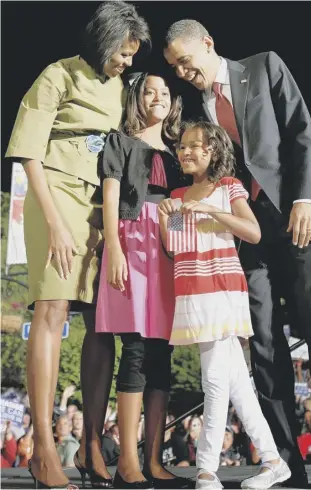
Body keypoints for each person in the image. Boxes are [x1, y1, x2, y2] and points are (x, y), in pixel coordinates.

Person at [163, 20, 311, 489]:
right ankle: (286, 465)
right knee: (263, 345)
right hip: (251, 235)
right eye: (174, 66)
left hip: (301, 220)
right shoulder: (198, 106)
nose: (182, 70)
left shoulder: (264, 67)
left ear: (207, 43)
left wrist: (305, 199)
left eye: (185, 59)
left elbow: (300, 131)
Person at [5, 2, 150, 488]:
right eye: (124, 53)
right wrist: (54, 223)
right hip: (56, 201)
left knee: (101, 324)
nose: (128, 62)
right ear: (104, 39)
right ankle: (44, 447)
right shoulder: (57, 75)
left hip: (101, 207)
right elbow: (28, 153)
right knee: (51, 312)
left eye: (133, 55)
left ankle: (91, 443)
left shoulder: (119, 89)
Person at [158, 121, 291, 490]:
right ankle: (273, 460)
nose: (184, 152)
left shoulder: (228, 187)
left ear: (211, 150)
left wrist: (211, 212)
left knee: (214, 381)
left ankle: (205, 470)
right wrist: (165, 220)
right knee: (237, 386)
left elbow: (252, 231)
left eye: (193, 146)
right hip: (192, 290)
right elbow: (174, 247)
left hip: (221, 289)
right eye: (181, 146)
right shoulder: (179, 193)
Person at [96, 72, 191, 489]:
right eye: (150, 91)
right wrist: (113, 245)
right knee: (134, 347)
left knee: (161, 352)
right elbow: (111, 194)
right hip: (133, 241)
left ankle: (153, 460)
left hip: (169, 246)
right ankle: (127, 463)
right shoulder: (119, 141)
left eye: (166, 92)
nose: (159, 97)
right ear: (136, 96)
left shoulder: (177, 151)